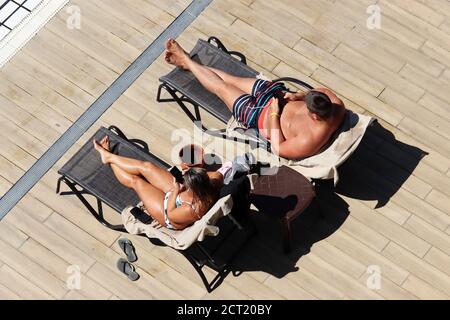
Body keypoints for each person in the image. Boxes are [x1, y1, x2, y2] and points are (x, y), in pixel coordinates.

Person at [164, 38, 347, 160]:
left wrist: (275, 114)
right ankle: (189, 64)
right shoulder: (333, 101)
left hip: (259, 116)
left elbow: (279, 148)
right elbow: (313, 92)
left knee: (222, 87)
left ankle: (187, 61)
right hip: (275, 96)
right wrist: (298, 95)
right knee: (231, 79)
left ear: (314, 117)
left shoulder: (310, 140)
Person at [93, 136, 223, 230]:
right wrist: (185, 181)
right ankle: (108, 156)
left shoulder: (191, 209)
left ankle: (108, 158)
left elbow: (172, 215)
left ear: (194, 188)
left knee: (136, 181)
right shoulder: (215, 180)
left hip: (168, 211)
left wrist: (176, 191)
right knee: (147, 166)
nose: (183, 176)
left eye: (186, 180)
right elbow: (214, 175)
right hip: (179, 193)